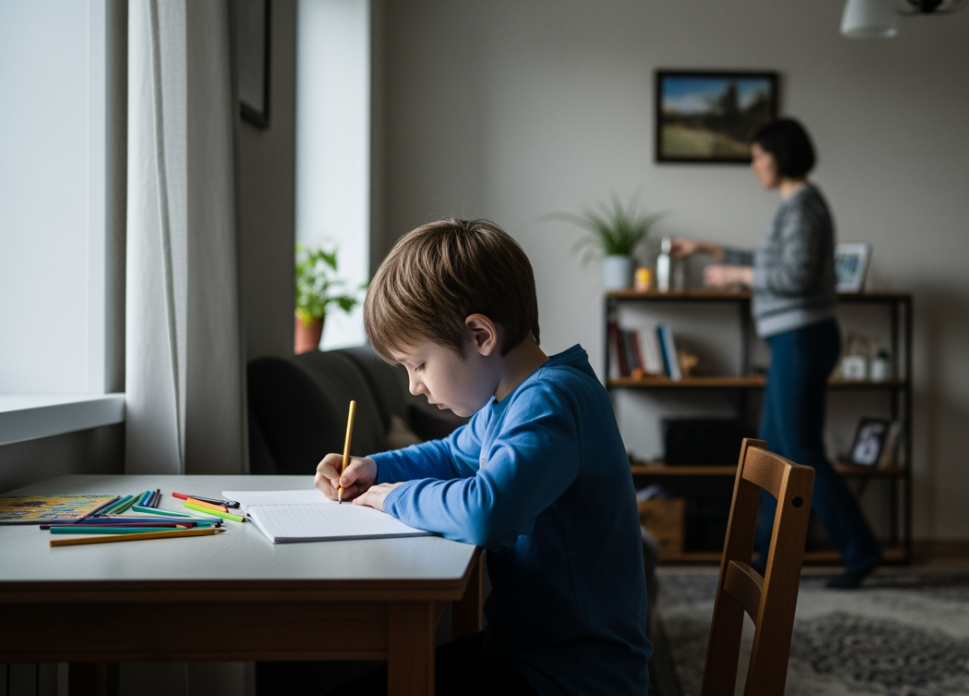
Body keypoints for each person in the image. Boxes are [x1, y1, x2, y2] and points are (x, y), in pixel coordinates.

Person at [314, 218, 652, 695]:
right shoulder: (508, 402)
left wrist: (392, 498)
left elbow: (488, 512)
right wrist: (373, 468)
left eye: (419, 364)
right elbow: (453, 455)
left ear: (480, 335)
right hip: (530, 653)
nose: (415, 385)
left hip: (574, 675)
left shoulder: (551, 400)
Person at [671, 118, 882, 589]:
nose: (754, 166)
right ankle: (766, 556)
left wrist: (736, 278)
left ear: (780, 156)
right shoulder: (794, 207)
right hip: (793, 339)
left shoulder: (805, 207)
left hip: (802, 338)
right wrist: (711, 250)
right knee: (773, 452)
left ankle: (861, 551)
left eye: (758, 156)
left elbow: (796, 277)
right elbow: (771, 262)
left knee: (803, 452)